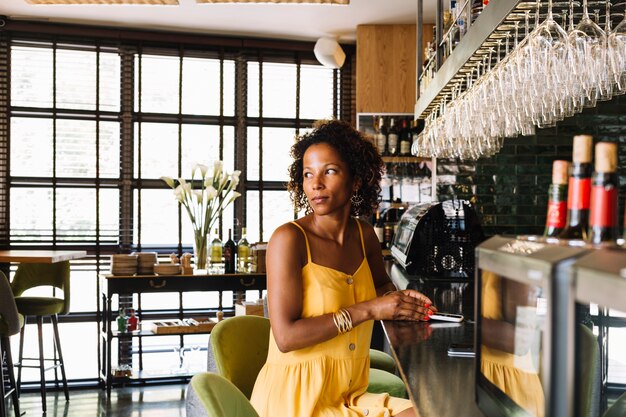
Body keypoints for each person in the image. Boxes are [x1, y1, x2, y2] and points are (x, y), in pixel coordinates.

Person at [250, 120, 436, 417]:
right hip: (297, 401)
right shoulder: (289, 240)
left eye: (330, 171)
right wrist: (371, 310)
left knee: (435, 410)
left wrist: (406, 303)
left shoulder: (364, 235)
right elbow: (285, 338)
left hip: (349, 395)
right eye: (308, 174)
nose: (315, 184)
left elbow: (383, 289)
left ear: (356, 179)